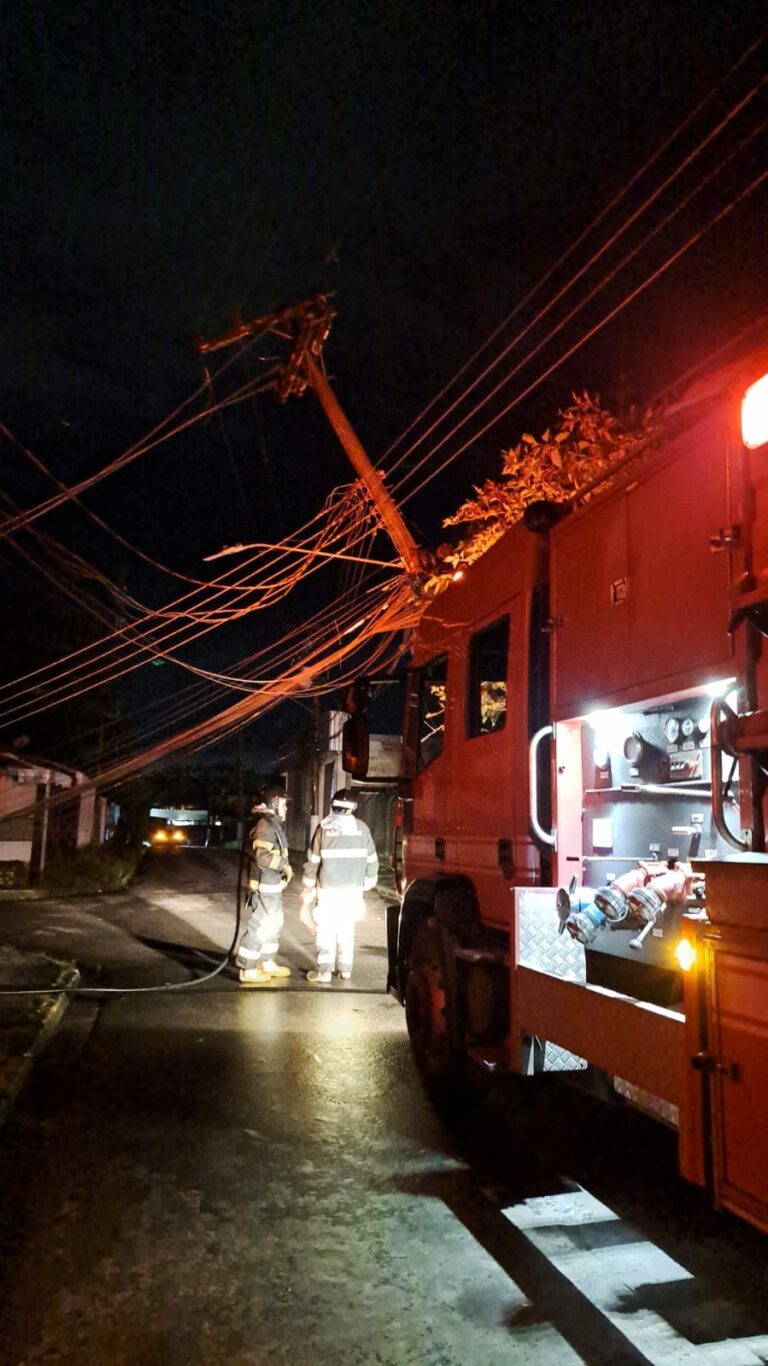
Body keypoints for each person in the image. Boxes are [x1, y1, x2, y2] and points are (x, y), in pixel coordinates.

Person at [300, 787, 378, 984]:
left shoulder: (323, 828)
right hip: (352, 891)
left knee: (326, 930)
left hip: (329, 891)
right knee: (346, 929)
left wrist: (308, 885)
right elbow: (372, 860)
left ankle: (324, 971)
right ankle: (345, 970)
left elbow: (313, 861)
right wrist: (368, 883)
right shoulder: (362, 828)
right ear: (353, 808)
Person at [235, 783, 294, 984]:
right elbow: (263, 857)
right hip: (263, 886)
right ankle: (247, 968)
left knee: (273, 923)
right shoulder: (265, 825)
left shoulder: (272, 823)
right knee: (260, 926)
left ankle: (267, 961)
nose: (286, 808)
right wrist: (284, 866)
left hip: (272, 885)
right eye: (284, 804)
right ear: (275, 803)